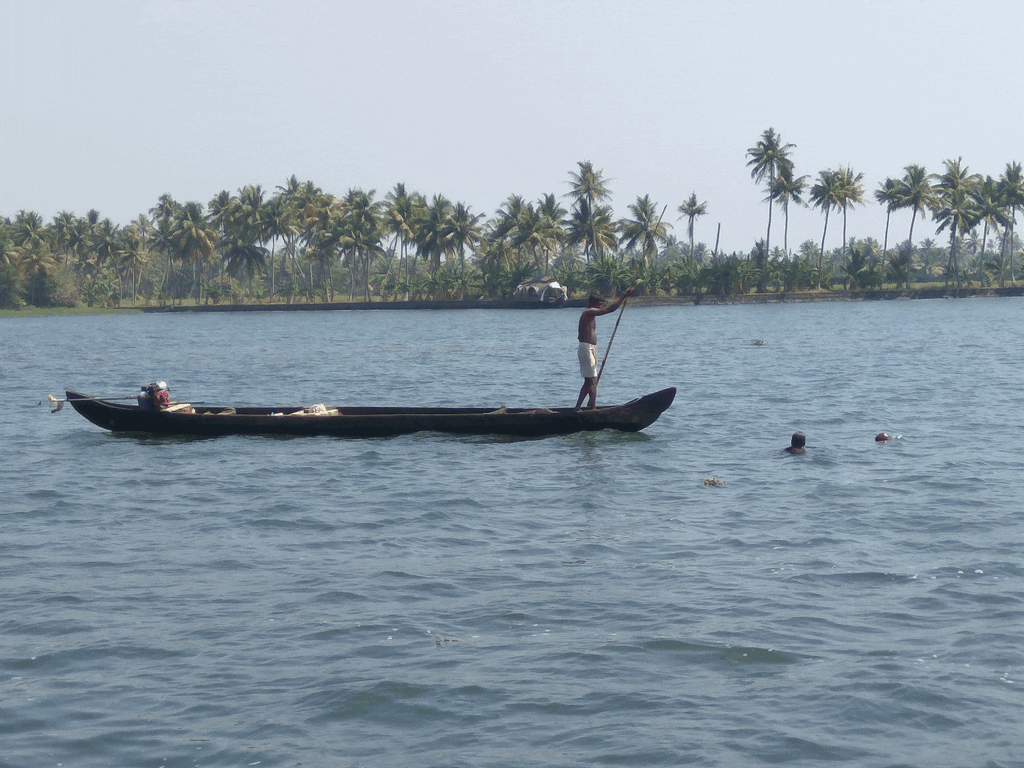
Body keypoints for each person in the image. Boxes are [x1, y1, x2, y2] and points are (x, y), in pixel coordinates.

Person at [575, 288, 633, 409]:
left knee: (592, 381)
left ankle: (591, 406)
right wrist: (623, 296)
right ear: (593, 304)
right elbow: (610, 309)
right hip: (586, 348)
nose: (600, 307)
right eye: (599, 304)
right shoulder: (588, 312)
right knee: (590, 380)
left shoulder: (591, 314)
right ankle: (583, 408)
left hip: (591, 348)